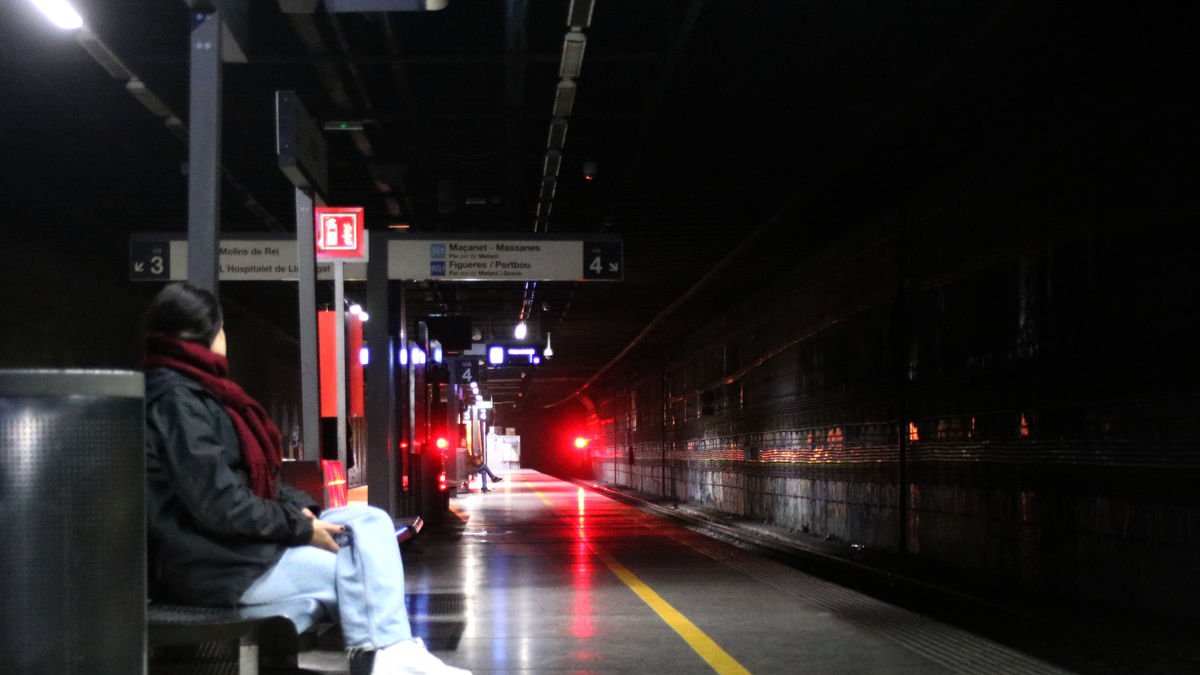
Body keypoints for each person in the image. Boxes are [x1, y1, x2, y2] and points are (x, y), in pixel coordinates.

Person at [142, 282, 470, 675]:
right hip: (215, 567)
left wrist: (304, 511)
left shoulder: (198, 395)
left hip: (235, 550)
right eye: (221, 328)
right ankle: (385, 655)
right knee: (355, 572)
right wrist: (298, 528)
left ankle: (390, 650)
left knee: (370, 520)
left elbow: (257, 484)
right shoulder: (177, 403)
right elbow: (219, 504)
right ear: (206, 334)